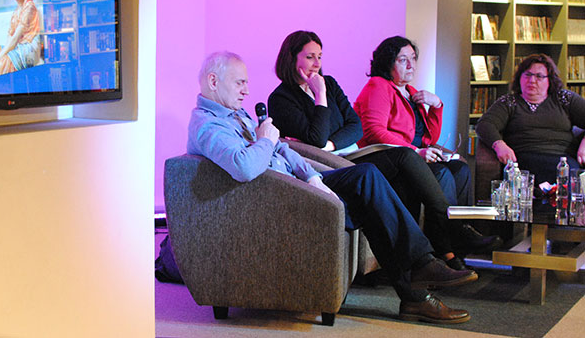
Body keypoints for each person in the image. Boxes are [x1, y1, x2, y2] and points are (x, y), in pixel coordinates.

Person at [188, 50, 476, 324]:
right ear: (213, 81)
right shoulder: (208, 125)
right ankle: (418, 281)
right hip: (275, 201)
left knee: (367, 177)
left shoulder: (237, 114)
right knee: (372, 199)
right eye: (240, 82)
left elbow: (284, 149)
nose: (247, 91)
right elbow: (245, 167)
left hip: (296, 186)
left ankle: (418, 280)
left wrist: (312, 177)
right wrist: (265, 140)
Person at [268, 30, 497, 269]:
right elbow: (317, 137)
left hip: (350, 153)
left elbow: (355, 127)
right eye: (309, 57)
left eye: (320, 57)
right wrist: (320, 96)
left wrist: (331, 142)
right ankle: (453, 231)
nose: (317, 64)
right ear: (291, 58)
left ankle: (451, 240)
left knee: (454, 168)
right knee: (407, 156)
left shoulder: (331, 83)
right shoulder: (282, 98)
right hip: (331, 164)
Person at [353, 36, 498, 253]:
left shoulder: (411, 93)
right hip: (390, 160)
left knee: (460, 169)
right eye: (403, 60)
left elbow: (429, 139)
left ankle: (456, 242)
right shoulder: (379, 86)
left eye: (413, 58)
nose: (411, 65)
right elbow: (374, 131)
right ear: (388, 63)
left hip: (414, 158)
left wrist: (437, 106)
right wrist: (416, 152)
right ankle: (448, 244)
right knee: (442, 174)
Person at [476, 53, 585, 184]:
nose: (532, 80)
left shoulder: (564, 99)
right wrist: (499, 145)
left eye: (539, 76)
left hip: (562, 160)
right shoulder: (509, 102)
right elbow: (485, 124)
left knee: (571, 179)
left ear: (550, 80)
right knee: (528, 180)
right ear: (519, 78)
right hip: (525, 158)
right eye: (527, 75)